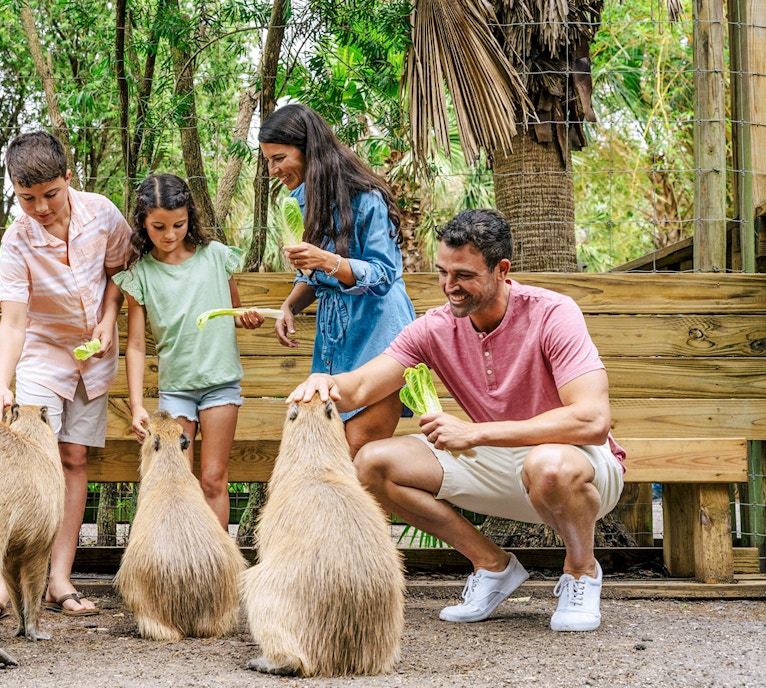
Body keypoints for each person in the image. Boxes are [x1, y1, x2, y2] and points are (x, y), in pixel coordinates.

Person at [288, 209, 625, 632]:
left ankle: (581, 572)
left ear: (502, 270)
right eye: (443, 273)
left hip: (579, 464)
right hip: (497, 460)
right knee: (372, 464)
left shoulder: (553, 313)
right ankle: (493, 566)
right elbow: (360, 387)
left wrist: (475, 432)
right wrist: (325, 380)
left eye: (464, 275)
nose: (450, 287)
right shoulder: (433, 327)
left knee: (549, 466)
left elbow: (592, 420)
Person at [0, 130, 132, 620]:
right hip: (42, 354)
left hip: (94, 356)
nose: (41, 207)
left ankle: (59, 580)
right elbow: (14, 321)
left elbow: (118, 275)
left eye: (50, 194)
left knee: (72, 459)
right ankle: (3, 586)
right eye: (27, 198)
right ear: (13, 191)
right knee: (28, 463)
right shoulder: (16, 240)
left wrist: (109, 319)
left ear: (69, 178)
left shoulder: (103, 214)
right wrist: (1, 384)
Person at [258, 103, 416, 458]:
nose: (273, 170)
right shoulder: (300, 200)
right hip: (333, 346)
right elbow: (313, 277)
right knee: (331, 454)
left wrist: (328, 260)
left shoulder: (367, 199)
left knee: (356, 454)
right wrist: (290, 306)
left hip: (379, 337)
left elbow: (383, 276)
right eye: (268, 161)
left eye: (279, 158)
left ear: (309, 150)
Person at [112, 174, 265, 528]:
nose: (169, 235)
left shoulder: (214, 257)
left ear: (190, 218)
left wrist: (249, 319)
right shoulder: (141, 274)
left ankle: (216, 568)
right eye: (158, 226)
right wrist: (137, 406)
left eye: (178, 225)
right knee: (177, 483)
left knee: (213, 479)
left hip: (220, 384)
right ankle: (182, 564)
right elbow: (135, 345)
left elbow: (235, 313)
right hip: (176, 390)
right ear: (142, 223)